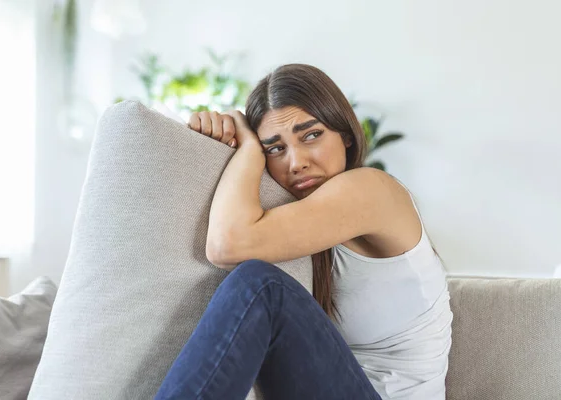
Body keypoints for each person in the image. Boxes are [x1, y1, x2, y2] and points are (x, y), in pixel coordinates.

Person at [154, 64, 453, 400]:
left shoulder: (372, 190)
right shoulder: (306, 224)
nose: (295, 163)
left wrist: (250, 148)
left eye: (311, 135)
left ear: (347, 136)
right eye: (275, 148)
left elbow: (226, 245)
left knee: (262, 285)